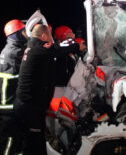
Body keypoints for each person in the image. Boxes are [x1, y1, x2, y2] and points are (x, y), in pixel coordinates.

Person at [14, 24, 84, 155]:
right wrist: (76, 46)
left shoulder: (31, 47)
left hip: (26, 103)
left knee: (33, 138)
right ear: (43, 36)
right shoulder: (39, 47)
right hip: (30, 105)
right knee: (33, 142)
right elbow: (55, 51)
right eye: (49, 37)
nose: (51, 40)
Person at [0, 19, 28, 155]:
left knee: (15, 140)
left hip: (8, 103)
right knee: (8, 143)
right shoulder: (15, 52)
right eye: (24, 31)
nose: (26, 34)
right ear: (17, 33)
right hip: (8, 105)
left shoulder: (10, 49)